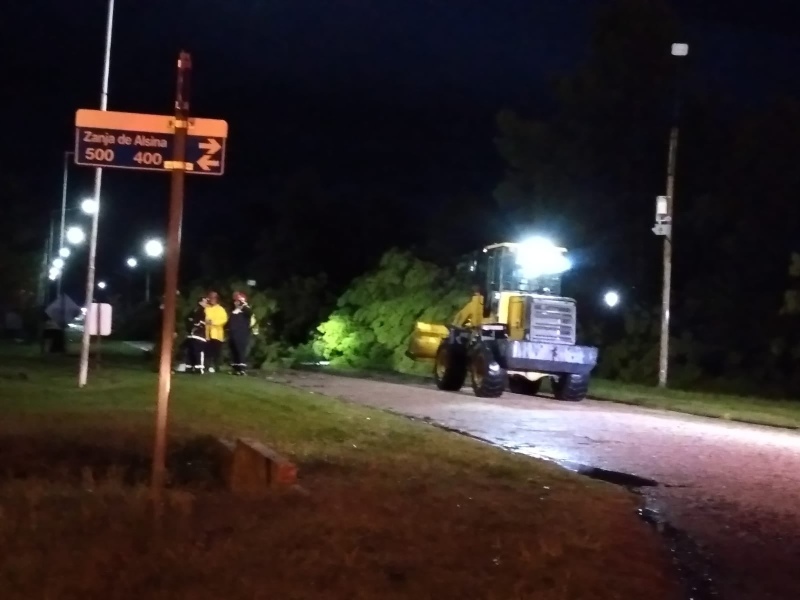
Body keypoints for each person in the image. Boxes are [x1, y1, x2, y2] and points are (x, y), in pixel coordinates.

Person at [227, 291, 256, 375]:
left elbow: (250, 313)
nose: (236, 303)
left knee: (240, 351)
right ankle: (235, 368)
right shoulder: (234, 312)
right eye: (235, 301)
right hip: (233, 334)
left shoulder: (245, 310)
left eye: (238, 301)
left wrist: (243, 304)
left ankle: (241, 369)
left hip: (241, 334)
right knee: (234, 351)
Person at [204, 291, 228, 373]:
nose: (212, 299)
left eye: (214, 298)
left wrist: (213, 322)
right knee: (207, 352)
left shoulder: (220, 309)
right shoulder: (206, 308)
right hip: (207, 334)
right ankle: (206, 366)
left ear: (217, 299)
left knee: (216, 353)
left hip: (217, 334)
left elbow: (224, 320)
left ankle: (216, 367)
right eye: (210, 298)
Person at [183, 296, 208, 373]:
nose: (206, 303)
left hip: (191, 334)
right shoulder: (201, 310)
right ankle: (198, 368)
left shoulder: (194, 310)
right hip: (199, 335)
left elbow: (187, 318)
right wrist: (200, 324)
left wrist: (190, 327)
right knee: (199, 351)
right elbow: (199, 322)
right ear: (200, 302)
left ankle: (189, 367)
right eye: (205, 302)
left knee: (191, 351)